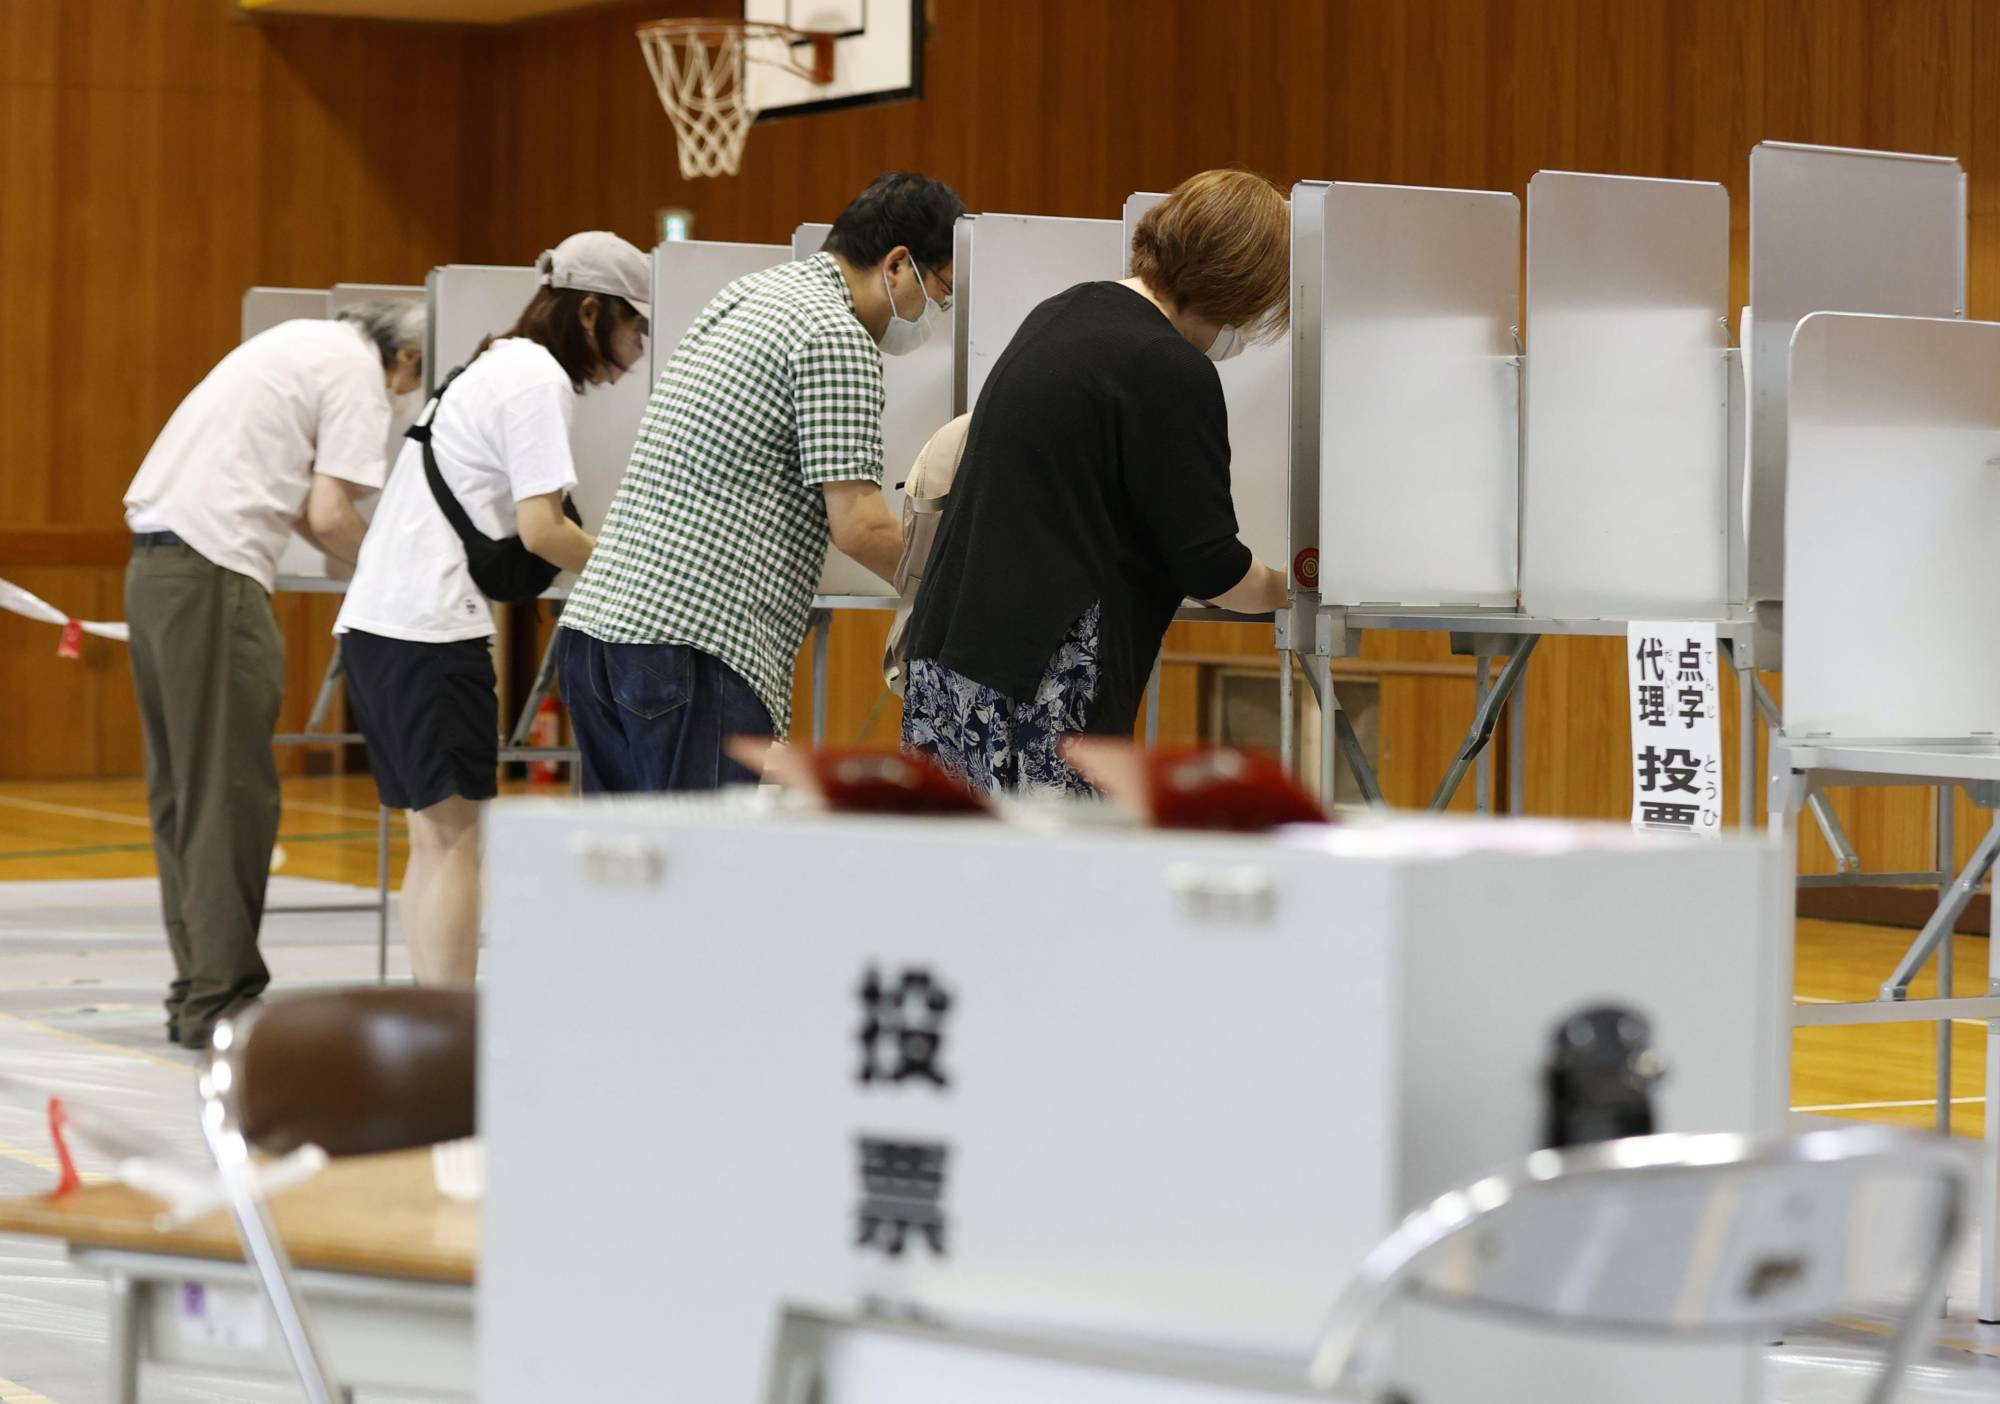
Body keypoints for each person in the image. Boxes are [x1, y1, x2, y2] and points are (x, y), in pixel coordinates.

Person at [556, 171, 967, 792]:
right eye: (941, 291)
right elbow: (859, 525)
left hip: (598, 635)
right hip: (694, 646)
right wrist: (957, 596)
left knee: (631, 874)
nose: (934, 311)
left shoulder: (750, 294)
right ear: (899, 264)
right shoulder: (835, 336)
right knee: (702, 874)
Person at [901, 169, 1291, 797]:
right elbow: (1212, 567)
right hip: (1045, 685)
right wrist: (1291, 582)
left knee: (961, 880)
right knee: (1054, 885)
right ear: (1235, 286)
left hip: (950, 661)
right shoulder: (1168, 367)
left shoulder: (1060, 313)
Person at [334, 232, 649, 985]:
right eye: (636, 327)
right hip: (430, 632)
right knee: (456, 844)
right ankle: (450, 1038)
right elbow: (544, 530)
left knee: (436, 843)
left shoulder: (487, 365)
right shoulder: (536, 379)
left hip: (378, 629)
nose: (638, 350)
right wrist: (641, 572)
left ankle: (432, 1024)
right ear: (590, 313)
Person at [124, 299, 426, 1048]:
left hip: (155, 568)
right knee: (231, 797)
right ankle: (223, 1003)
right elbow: (329, 516)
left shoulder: (300, 342)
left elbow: (300, 506)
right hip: (212, 576)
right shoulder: (357, 374)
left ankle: (199, 993)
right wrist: (412, 570)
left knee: (188, 796)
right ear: (409, 361)